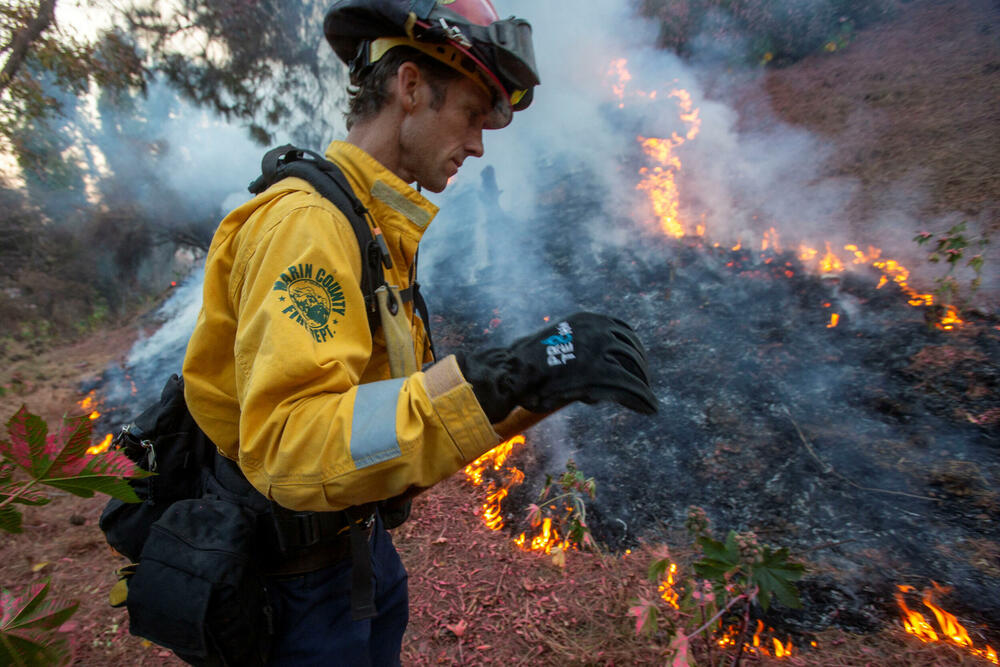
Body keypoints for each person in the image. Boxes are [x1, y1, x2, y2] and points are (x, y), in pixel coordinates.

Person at [181, 0, 658, 664]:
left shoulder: (374, 225)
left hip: (358, 552)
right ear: (409, 87)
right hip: (293, 587)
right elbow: (292, 443)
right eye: (470, 112)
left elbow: (386, 422)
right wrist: (504, 377)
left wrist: (535, 384)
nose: (478, 142)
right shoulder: (307, 226)